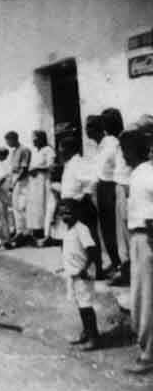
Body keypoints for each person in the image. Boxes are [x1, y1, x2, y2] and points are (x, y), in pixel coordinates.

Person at [119, 127, 153, 374]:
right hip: (140, 238)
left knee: (145, 297)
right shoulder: (142, 172)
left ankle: (148, 354)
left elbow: (150, 218)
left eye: (124, 150)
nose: (123, 156)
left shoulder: (142, 176)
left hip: (145, 240)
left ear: (132, 151)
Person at [58, 136, 104, 280]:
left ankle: (98, 270)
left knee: (88, 239)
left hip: (79, 206)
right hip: (70, 205)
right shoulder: (70, 163)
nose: (60, 151)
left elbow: (93, 180)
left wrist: (85, 195)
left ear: (69, 149)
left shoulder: (78, 163)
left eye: (61, 147)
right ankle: (79, 267)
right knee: (74, 239)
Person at [59, 199, 101, 351]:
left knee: (86, 306)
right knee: (80, 304)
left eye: (68, 212)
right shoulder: (66, 229)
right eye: (62, 213)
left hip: (82, 274)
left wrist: (85, 268)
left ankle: (93, 337)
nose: (65, 216)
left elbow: (92, 250)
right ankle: (86, 332)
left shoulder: (81, 229)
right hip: (73, 274)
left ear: (77, 213)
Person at [86, 115, 122, 279]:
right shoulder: (99, 146)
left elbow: (118, 168)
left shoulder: (112, 144)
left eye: (88, 127)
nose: (86, 130)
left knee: (113, 228)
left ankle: (120, 265)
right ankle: (114, 262)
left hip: (111, 188)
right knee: (105, 229)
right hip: (101, 188)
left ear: (97, 128)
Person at [102, 108, 131, 286]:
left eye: (106, 123)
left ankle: (127, 272)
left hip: (126, 188)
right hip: (119, 186)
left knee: (126, 233)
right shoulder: (115, 141)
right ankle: (125, 268)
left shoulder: (125, 140)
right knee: (121, 233)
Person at [27, 130, 56, 242]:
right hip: (34, 183)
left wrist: (37, 168)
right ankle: (37, 230)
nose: (33, 141)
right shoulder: (35, 152)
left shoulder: (48, 150)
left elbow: (51, 167)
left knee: (45, 205)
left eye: (35, 138)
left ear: (41, 139)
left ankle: (46, 232)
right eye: (32, 138)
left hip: (44, 181)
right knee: (36, 207)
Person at [5, 131, 32, 247]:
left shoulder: (24, 150)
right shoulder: (14, 151)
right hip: (15, 178)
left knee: (22, 206)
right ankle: (19, 231)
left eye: (8, 141)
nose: (7, 143)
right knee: (16, 207)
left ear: (13, 139)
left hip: (22, 180)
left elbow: (24, 169)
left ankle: (25, 233)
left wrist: (14, 183)